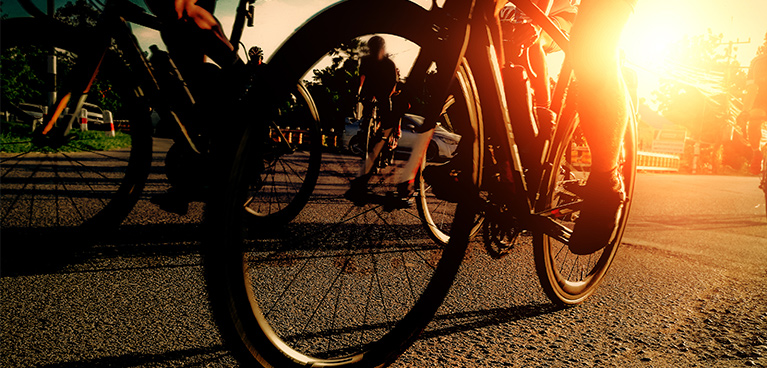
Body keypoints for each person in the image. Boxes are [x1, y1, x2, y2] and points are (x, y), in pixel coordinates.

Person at [425, 0, 637, 255]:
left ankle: (606, 185)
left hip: (567, 10)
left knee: (589, 47)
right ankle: (490, 148)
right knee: (474, 19)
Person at [345, 36, 407, 203]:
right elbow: (361, 78)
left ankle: (386, 136)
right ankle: (367, 130)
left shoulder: (389, 64)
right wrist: (358, 93)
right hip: (370, 92)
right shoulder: (366, 60)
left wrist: (383, 97)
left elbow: (393, 84)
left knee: (387, 116)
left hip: (385, 93)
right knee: (366, 113)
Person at [740, 38, 767, 175]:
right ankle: (757, 153)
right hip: (761, 99)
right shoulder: (757, 62)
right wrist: (745, 111)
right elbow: (752, 88)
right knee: (753, 123)